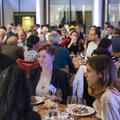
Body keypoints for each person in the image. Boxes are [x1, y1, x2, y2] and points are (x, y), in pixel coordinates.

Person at [86, 55, 120, 120]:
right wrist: (97, 96)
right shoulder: (110, 90)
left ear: (101, 74)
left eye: (89, 71)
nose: (85, 74)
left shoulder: (107, 97)